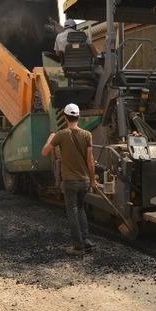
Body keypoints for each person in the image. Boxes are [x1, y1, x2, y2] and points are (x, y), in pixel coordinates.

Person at [41, 103, 96, 256]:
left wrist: (50, 138)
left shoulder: (60, 135)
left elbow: (44, 152)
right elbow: (90, 160)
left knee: (72, 211)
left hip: (70, 182)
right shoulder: (87, 135)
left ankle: (78, 247)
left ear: (65, 117)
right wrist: (92, 180)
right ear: (78, 116)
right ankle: (86, 240)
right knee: (81, 209)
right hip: (84, 181)